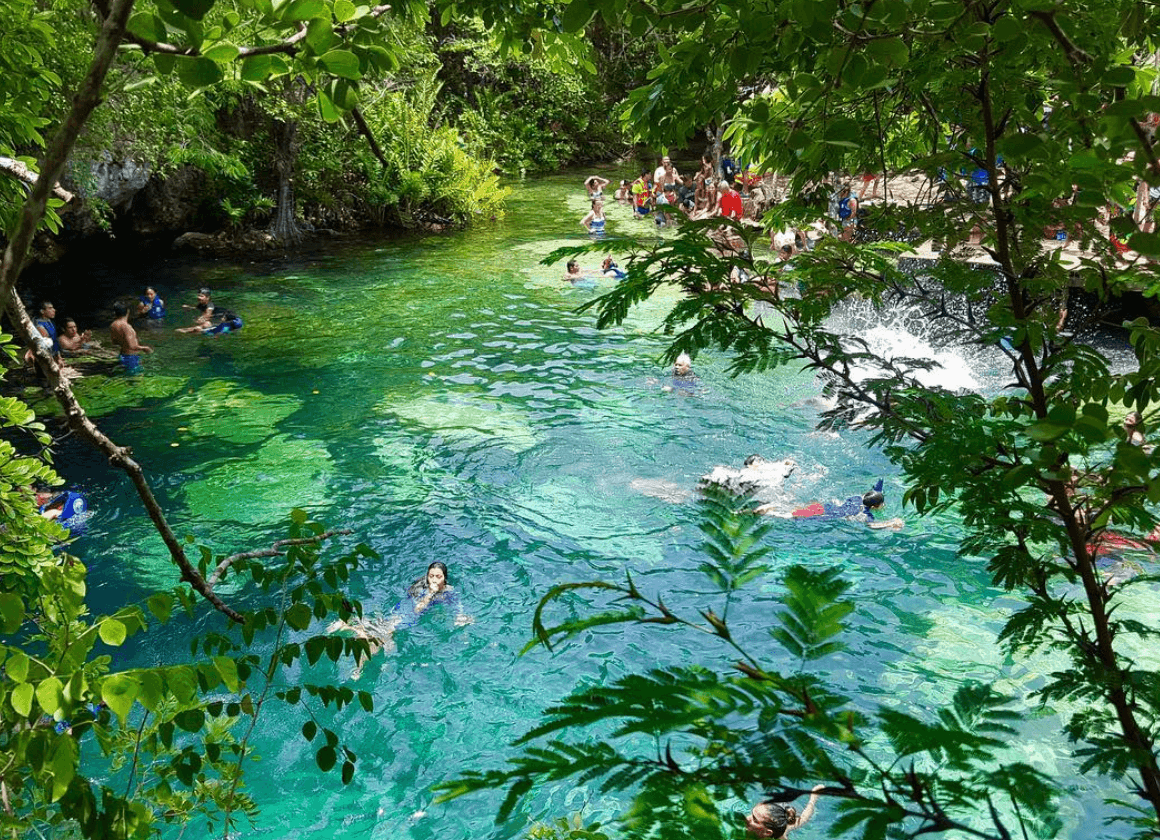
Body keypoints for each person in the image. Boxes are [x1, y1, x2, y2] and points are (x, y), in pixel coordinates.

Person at [327, 562, 471, 677]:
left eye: (438, 577)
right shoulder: (423, 587)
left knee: (380, 632)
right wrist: (430, 593)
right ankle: (357, 656)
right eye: (431, 576)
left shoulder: (449, 592)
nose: (433, 580)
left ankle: (350, 624)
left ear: (445, 577)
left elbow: (457, 606)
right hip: (406, 614)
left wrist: (461, 616)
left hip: (403, 614)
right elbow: (418, 609)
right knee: (382, 639)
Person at [746, 785, 825, 838]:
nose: (746, 819)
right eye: (752, 814)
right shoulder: (783, 825)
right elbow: (803, 818)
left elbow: (803, 819)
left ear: (767, 832)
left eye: (754, 820)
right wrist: (813, 799)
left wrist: (813, 799)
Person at [109, 301, 154, 373]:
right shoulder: (126, 326)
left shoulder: (113, 325)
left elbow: (114, 342)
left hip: (122, 355)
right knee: (136, 379)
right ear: (127, 312)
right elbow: (132, 346)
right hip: (131, 357)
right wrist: (145, 348)